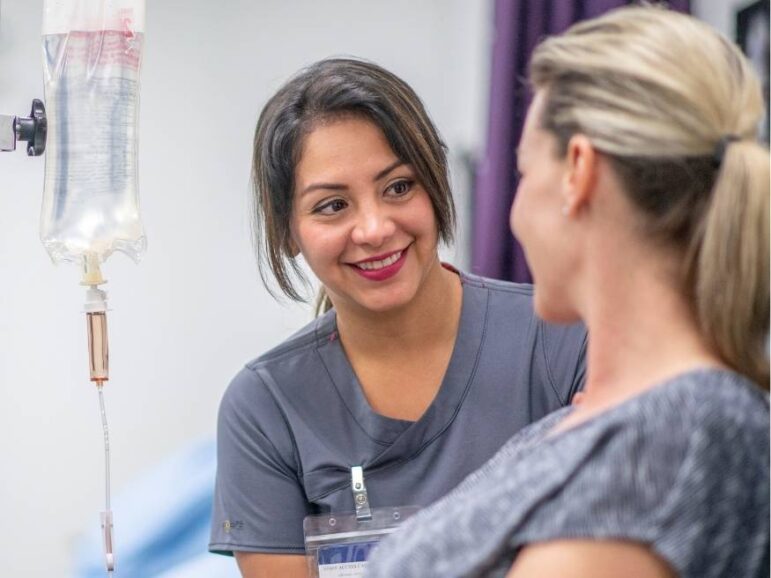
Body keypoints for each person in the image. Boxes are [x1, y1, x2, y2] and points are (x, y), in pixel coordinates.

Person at [365, 6, 770, 578]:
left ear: (578, 171)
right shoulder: (591, 427)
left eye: (525, 173)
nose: (515, 214)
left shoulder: (673, 435)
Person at [208, 58, 587, 577]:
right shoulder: (265, 408)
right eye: (332, 205)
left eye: (399, 187)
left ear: (434, 185)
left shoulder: (561, 341)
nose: (374, 228)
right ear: (287, 232)